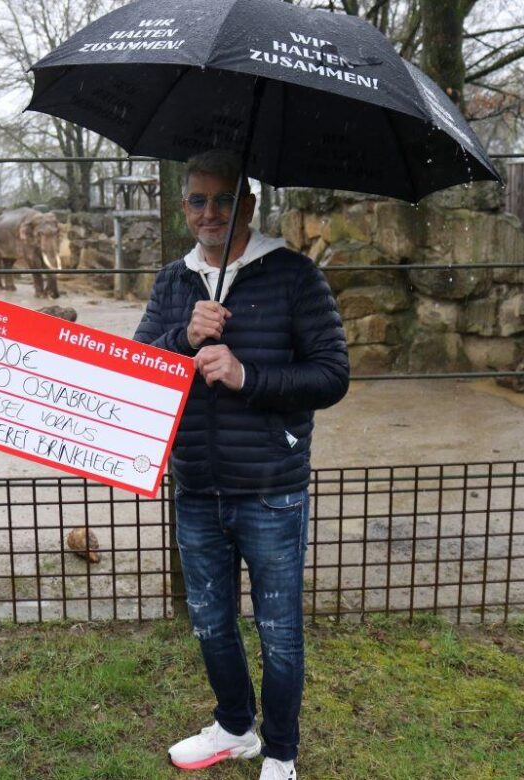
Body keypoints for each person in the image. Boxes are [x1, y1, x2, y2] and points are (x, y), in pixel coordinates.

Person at [133, 150, 350, 780]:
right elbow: (137, 364)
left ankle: (281, 750)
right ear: (184, 209)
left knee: (279, 629)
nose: (210, 213)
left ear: (248, 205)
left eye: (224, 200)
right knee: (209, 621)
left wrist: (247, 375)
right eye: (198, 201)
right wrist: (184, 338)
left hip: (269, 488)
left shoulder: (293, 276)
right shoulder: (175, 283)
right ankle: (235, 727)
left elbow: (332, 375)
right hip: (196, 482)